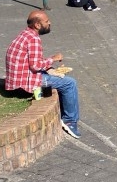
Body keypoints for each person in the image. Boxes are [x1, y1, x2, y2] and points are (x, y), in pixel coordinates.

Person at [5, 10, 81, 139]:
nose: (49, 23)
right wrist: (53, 59)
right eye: (46, 21)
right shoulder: (34, 39)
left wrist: (49, 67)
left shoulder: (25, 34)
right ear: (37, 25)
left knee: (55, 74)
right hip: (26, 82)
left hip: (15, 80)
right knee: (69, 83)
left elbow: (33, 61)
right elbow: (35, 66)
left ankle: (63, 110)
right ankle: (69, 121)